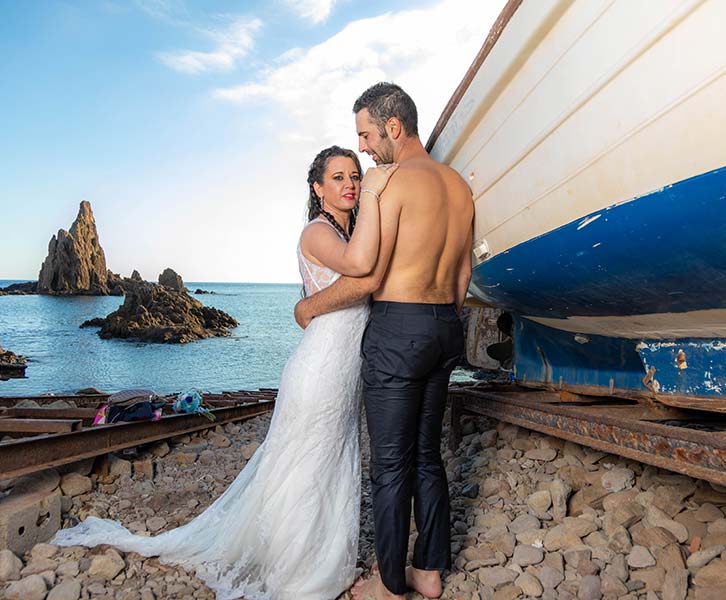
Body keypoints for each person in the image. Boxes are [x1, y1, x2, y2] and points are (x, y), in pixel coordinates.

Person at [51, 146, 397, 600]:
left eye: (355, 175)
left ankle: (318, 556)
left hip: (344, 367)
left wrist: (308, 305)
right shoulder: (317, 232)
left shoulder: (351, 231)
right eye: (338, 177)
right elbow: (360, 271)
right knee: (305, 464)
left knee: (330, 460)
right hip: (321, 367)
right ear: (318, 188)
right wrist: (375, 192)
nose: (350, 183)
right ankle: (297, 567)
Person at [294, 82, 474, 600]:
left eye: (367, 135)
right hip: (446, 326)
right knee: (428, 456)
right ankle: (430, 571)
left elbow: (366, 268)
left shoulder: (388, 183)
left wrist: (370, 190)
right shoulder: (458, 186)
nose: (366, 147)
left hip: (399, 327)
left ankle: (391, 584)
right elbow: (462, 275)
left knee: (390, 464)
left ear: (393, 127)